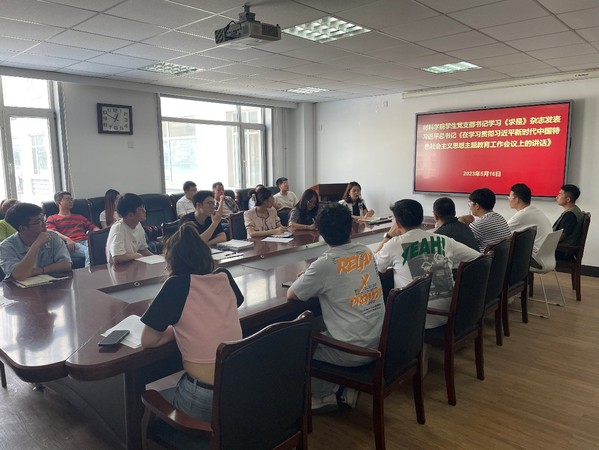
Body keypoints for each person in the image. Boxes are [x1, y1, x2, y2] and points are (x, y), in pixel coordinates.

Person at [140, 222, 244, 422]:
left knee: (149, 403)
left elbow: (148, 340)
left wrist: (179, 328)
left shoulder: (176, 285)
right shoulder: (224, 276)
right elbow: (236, 302)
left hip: (203, 398)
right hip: (236, 387)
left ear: (172, 261)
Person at [287, 203, 385, 413]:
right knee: (321, 323)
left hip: (353, 352)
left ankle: (323, 396)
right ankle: (343, 389)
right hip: (379, 341)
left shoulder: (325, 263)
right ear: (351, 228)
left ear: (321, 234)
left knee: (300, 341)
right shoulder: (365, 251)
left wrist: (310, 279)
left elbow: (292, 294)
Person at [375, 199, 479, 329]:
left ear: (397, 223)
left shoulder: (394, 244)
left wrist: (389, 236)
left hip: (414, 320)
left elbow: (374, 265)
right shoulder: (444, 240)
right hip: (449, 314)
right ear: (421, 219)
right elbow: (479, 258)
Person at [0, 203, 72, 281]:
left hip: (50, 285)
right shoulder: (6, 247)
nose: (44, 224)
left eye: (43, 219)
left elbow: (66, 264)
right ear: (23, 228)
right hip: (19, 287)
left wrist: (39, 270)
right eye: (38, 222)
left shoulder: (53, 237)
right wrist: (36, 244)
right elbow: (19, 275)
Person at [46, 191, 99, 267]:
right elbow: (52, 232)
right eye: (67, 199)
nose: (71, 201)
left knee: (99, 249)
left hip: (86, 241)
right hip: (71, 244)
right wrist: (67, 239)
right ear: (59, 202)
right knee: (90, 252)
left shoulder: (79, 217)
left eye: (71, 199)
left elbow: (93, 227)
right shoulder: (52, 218)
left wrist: (100, 234)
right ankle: (88, 273)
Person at [507, 183, 552, 267]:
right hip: (545, 256)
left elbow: (502, 233)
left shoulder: (522, 216)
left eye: (509, 197)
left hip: (535, 258)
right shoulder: (534, 211)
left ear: (517, 199)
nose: (508, 199)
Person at [106, 193, 154, 264]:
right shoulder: (118, 228)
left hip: (133, 265)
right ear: (130, 215)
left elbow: (142, 250)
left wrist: (157, 259)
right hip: (118, 268)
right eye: (141, 209)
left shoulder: (138, 224)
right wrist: (137, 255)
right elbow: (117, 257)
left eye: (143, 207)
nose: (144, 210)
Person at [459, 188, 511, 252]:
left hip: (485, 258)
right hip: (502, 257)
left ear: (477, 206)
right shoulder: (499, 217)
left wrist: (460, 221)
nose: (469, 206)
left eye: (470, 203)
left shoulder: (478, 225)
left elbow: (460, 242)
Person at [553, 184, 584, 261]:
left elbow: (560, 237)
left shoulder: (570, 215)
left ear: (568, 199)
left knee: (528, 251)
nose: (557, 197)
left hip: (562, 252)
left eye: (560, 194)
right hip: (563, 250)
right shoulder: (574, 211)